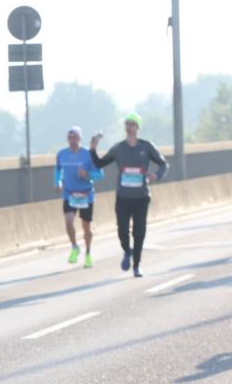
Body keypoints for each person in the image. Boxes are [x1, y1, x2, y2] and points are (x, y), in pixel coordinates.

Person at [89, 113, 168, 277]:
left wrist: (156, 175)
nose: (129, 127)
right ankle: (127, 250)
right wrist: (93, 149)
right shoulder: (119, 148)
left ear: (138, 127)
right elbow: (99, 163)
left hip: (141, 197)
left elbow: (163, 164)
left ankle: (137, 266)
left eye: (132, 124)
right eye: (127, 124)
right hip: (123, 198)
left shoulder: (146, 147)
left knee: (139, 232)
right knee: (122, 231)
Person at [55, 125, 103, 267]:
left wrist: (87, 174)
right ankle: (75, 246)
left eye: (75, 137)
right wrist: (57, 182)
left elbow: (100, 174)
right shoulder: (61, 154)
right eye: (70, 137)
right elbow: (58, 170)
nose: (72, 140)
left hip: (85, 194)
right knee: (69, 222)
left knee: (86, 227)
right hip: (69, 194)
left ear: (80, 139)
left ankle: (88, 252)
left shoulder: (88, 154)